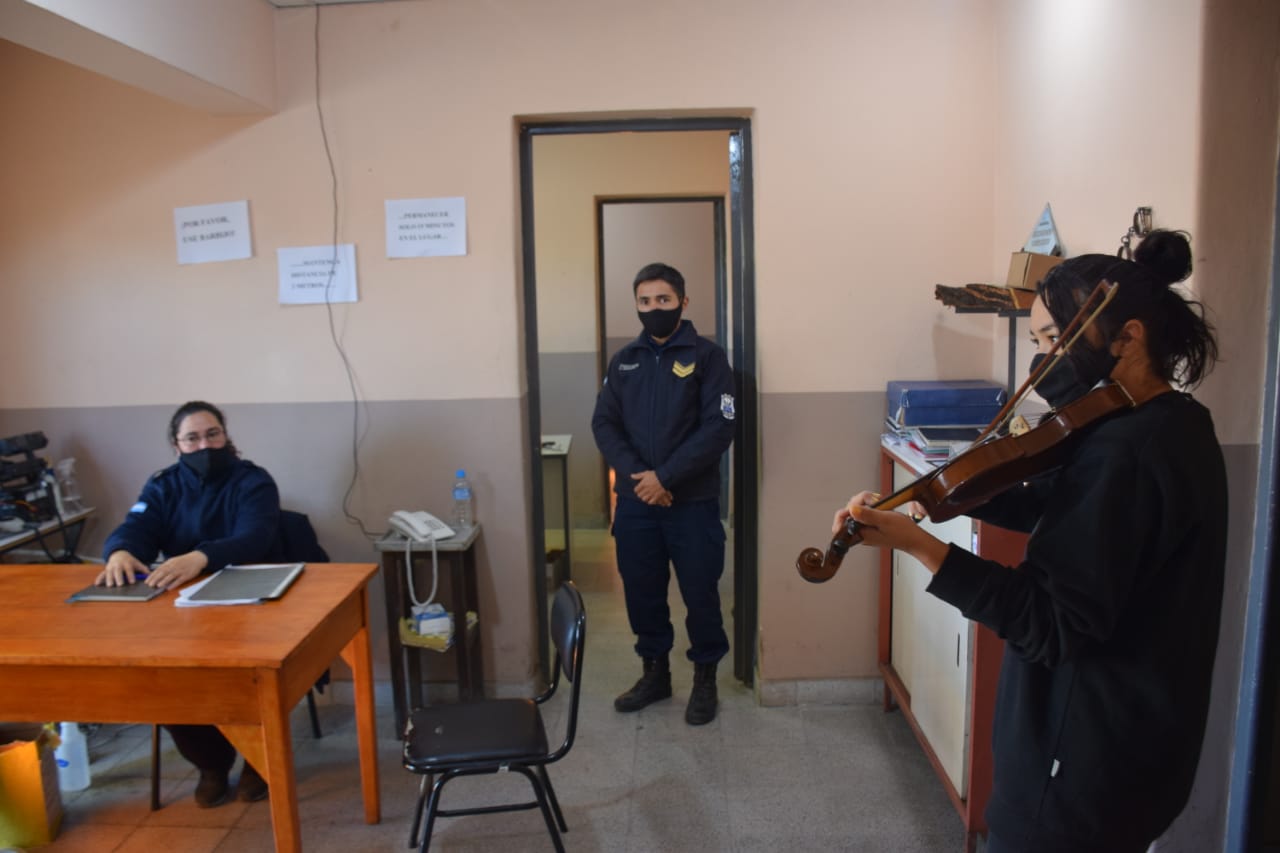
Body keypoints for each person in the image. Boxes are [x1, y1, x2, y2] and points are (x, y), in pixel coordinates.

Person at [835, 230, 1226, 853]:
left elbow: (1051, 623)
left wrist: (920, 546)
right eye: (1038, 341)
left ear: (1127, 338)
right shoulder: (1173, 424)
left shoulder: (1128, 452)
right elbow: (1062, 507)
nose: (1040, 360)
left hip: (1078, 765)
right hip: (1131, 747)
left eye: (1053, 339)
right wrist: (944, 494)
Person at [97, 400, 283, 808]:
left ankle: (258, 759)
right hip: (183, 606)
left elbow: (255, 537)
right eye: (192, 438)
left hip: (250, 600)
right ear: (176, 444)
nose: (204, 446)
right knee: (163, 680)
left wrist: (201, 557)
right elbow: (136, 525)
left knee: (247, 677)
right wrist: (120, 550)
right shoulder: (163, 485)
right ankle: (210, 764)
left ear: (226, 436)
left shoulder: (253, 481)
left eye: (212, 434)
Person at [591, 262, 736, 726]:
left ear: (683, 302)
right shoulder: (625, 361)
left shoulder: (708, 358)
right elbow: (604, 423)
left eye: (663, 300)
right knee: (642, 593)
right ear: (636, 305)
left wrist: (666, 478)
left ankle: (705, 680)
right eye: (645, 301)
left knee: (700, 594)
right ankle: (655, 675)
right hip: (638, 505)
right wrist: (642, 479)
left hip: (691, 505)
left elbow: (720, 426)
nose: (654, 308)